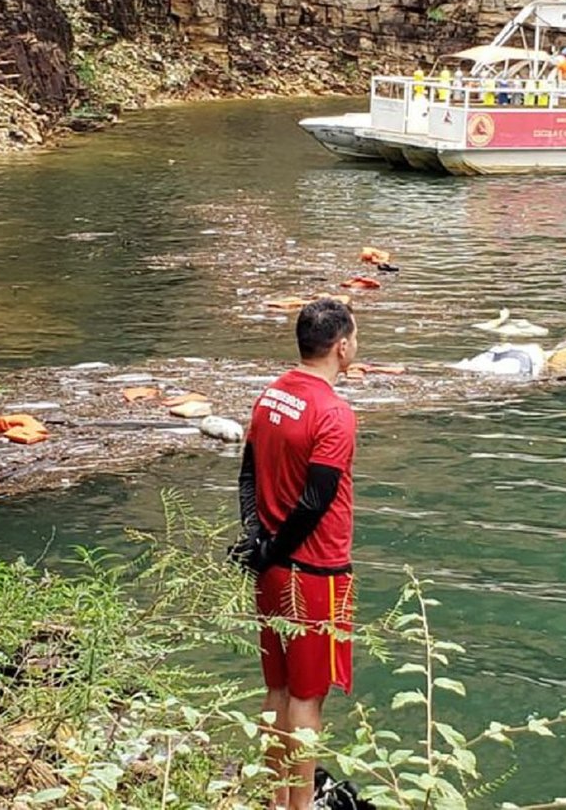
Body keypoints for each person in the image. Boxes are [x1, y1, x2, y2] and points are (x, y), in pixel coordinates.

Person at [233, 298, 359, 810]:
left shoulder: (272, 396)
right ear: (341, 346)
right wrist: (274, 546)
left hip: (271, 567)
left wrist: (257, 540)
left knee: (278, 689)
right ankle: (301, 806)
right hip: (316, 571)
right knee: (308, 696)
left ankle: (274, 799)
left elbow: (247, 473)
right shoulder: (334, 413)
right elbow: (315, 500)